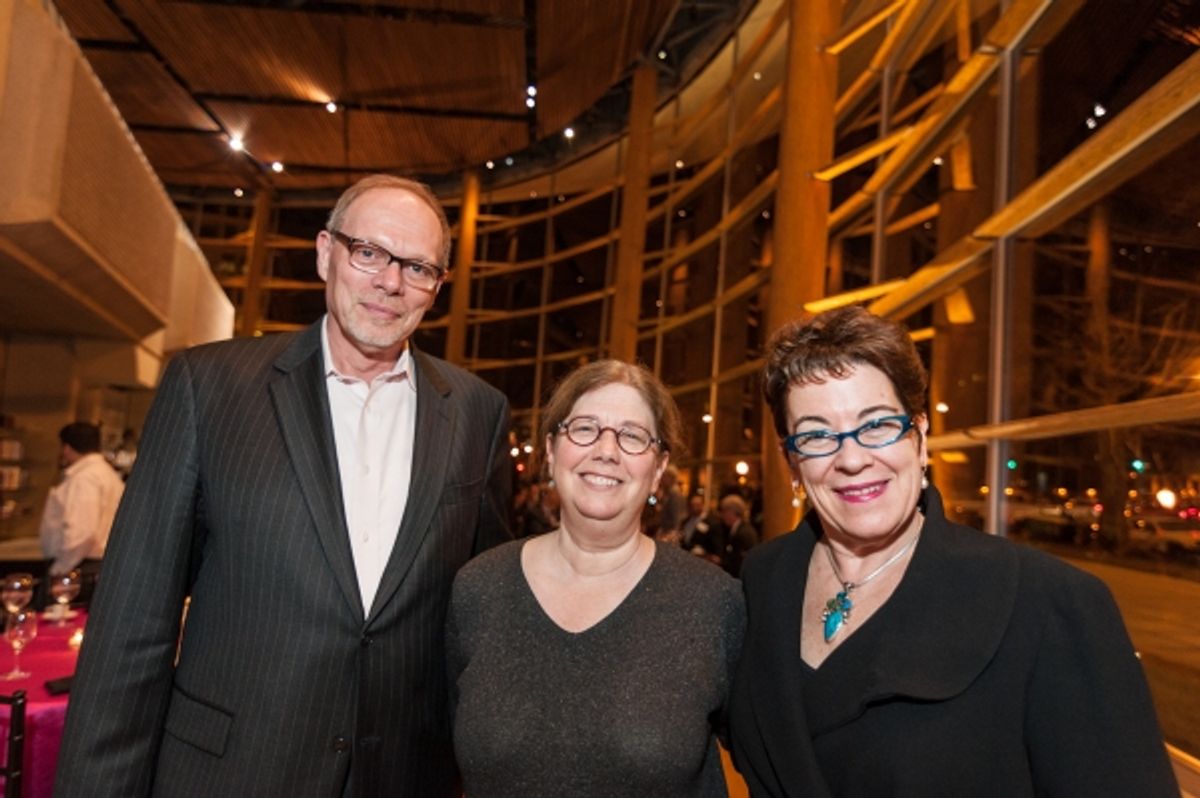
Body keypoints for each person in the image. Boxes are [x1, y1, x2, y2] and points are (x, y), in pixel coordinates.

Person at [55, 175, 513, 797]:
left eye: (418, 266)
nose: (390, 282)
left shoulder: (478, 413)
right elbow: (133, 622)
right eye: (369, 253)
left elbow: (482, 613)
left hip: (404, 777)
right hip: (234, 773)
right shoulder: (209, 387)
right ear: (325, 252)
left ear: (437, 286)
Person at [729, 306, 1178, 797]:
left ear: (920, 438)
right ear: (791, 460)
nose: (852, 458)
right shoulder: (763, 579)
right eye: (817, 436)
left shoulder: (1049, 605)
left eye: (877, 424)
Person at [447, 360, 745, 797]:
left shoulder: (713, 602)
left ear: (658, 468)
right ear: (551, 450)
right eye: (584, 428)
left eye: (632, 435)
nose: (606, 450)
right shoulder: (479, 589)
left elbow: (772, 763)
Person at [38, 422, 124, 601]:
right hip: (95, 566)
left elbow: (82, 532)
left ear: (67, 448)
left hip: (79, 568)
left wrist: (60, 570)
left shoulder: (85, 477)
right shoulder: (107, 474)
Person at [716, 493, 757, 577]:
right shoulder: (738, 529)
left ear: (731, 512)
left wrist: (720, 562)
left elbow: (739, 563)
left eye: (724, 512)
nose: (722, 516)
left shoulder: (743, 533)